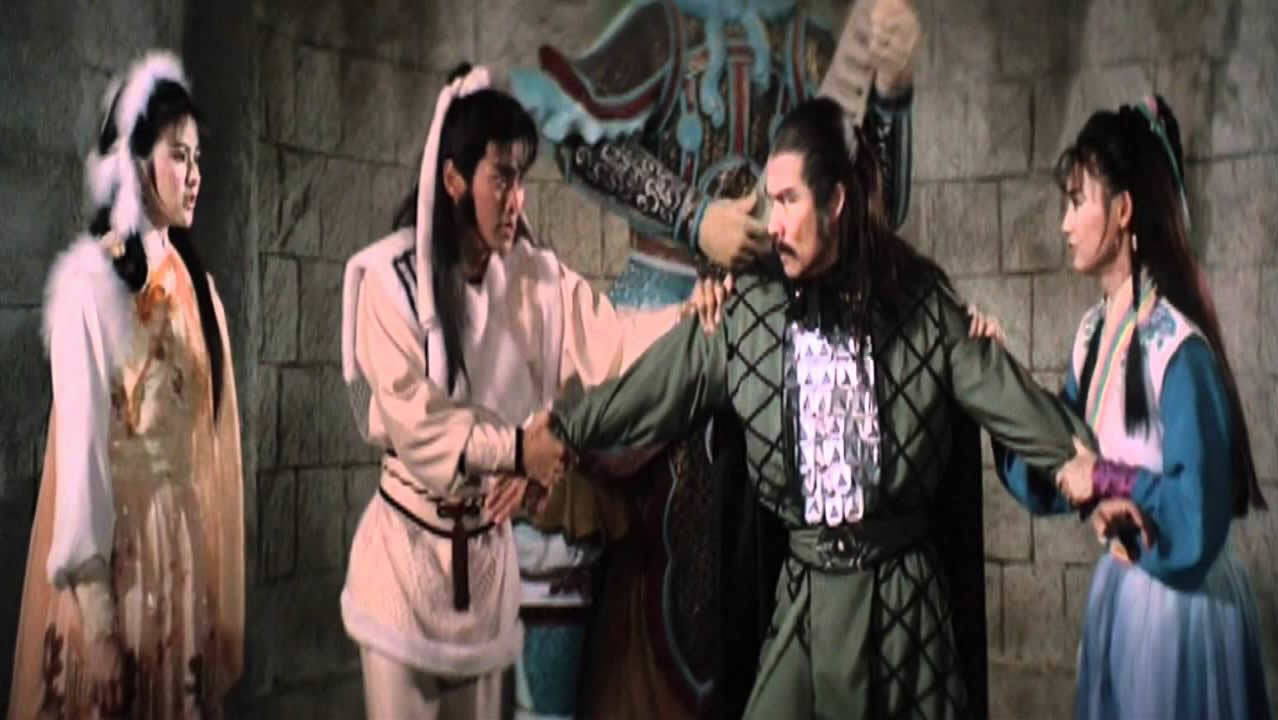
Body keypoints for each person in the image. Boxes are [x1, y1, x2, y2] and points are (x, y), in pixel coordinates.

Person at [519, 95, 1095, 719]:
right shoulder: (749, 310)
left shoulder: (923, 305)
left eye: (789, 200)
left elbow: (1011, 401)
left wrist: (1097, 473)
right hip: (806, 603)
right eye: (771, 201)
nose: (774, 223)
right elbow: (655, 387)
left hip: (904, 609)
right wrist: (561, 432)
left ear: (835, 201)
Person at [509, 1, 929, 716]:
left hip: (784, 335)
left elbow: (872, 197)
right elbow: (580, 141)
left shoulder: (813, 45)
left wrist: (891, 92)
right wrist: (693, 218)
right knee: (570, 525)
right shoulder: (662, 26)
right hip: (660, 317)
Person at [337, 62, 723, 720]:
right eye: (500, 178)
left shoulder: (534, 277)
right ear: (455, 179)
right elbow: (420, 424)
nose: (516, 199)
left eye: (520, 178)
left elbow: (612, 341)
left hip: (487, 568)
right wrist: (518, 450)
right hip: (405, 560)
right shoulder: (387, 280)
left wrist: (689, 315)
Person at [994, 95, 1271, 720]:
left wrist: (1106, 477)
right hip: (1125, 592)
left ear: (1122, 211)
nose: (1065, 224)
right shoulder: (1094, 334)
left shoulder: (1178, 348)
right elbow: (1058, 459)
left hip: (1182, 610)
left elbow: (1196, 510)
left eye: (1077, 202)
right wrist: (993, 373)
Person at [8, 51, 245, 719]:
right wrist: (99, 625)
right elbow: (81, 457)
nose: (195, 175)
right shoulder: (91, 286)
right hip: (120, 565)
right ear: (136, 163)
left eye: (198, 159)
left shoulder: (198, 290)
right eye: (178, 156)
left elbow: (211, 448)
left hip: (180, 560)